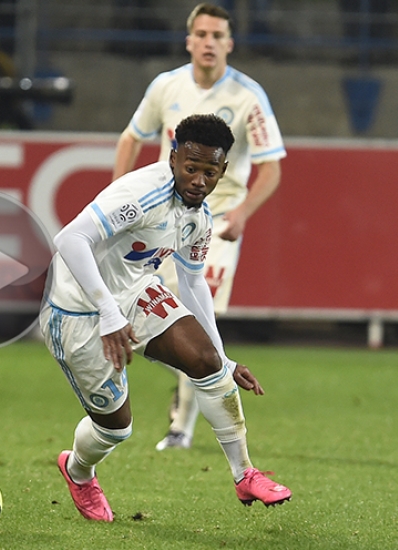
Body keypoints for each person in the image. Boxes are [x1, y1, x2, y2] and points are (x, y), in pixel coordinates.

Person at [42, 114, 291, 522]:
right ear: (174, 158)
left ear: (222, 171)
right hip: (78, 310)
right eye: (190, 168)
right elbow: (69, 238)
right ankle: (79, 471)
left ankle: (245, 474)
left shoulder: (199, 218)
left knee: (207, 363)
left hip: (135, 291)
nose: (198, 180)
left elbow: (193, 285)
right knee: (115, 428)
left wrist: (225, 359)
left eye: (209, 172)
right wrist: (107, 312)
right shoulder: (142, 194)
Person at [112, 2, 285, 451]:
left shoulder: (249, 97)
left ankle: (180, 428)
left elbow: (272, 168)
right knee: (154, 322)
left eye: (218, 36)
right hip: (159, 219)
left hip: (216, 223)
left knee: (197, 325)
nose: (209, 43)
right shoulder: (165, 86)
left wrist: (243, 213)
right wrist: (117, 198)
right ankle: (186, 386)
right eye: (202, 34)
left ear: (229, 43)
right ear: (189, 41)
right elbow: (132, 137)